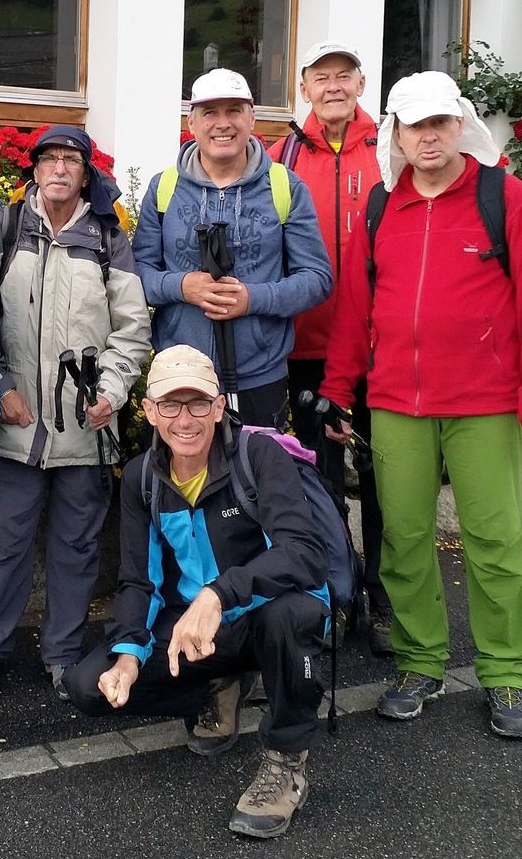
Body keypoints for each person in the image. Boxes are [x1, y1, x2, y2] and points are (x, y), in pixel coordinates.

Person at [320, 71, 522, 739]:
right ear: (395, 134)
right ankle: (419, 661)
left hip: (485, 404)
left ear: (459, 125)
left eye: (439, 123)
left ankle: (507, 671)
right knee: (401, 541)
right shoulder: (380, 206)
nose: (427, 136)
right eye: (414, 126)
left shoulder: (502, 197)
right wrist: (338, 390)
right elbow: (354, 311)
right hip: (398, 403)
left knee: (493, 540)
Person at [65, 345, 329, 839]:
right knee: (86, 686)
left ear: (219, 406)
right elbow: (138, 581)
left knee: (290, 618)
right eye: (170, 404)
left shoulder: (259, 455)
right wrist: (126, 654)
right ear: (148, 410)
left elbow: (304, 553)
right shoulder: (143, 477)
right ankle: (217, 687)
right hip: (194, 630)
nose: (184, 420)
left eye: (198, 404)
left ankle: (285, 763)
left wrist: (219, 594)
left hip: (260, 615)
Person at [0, 126, 151, 703]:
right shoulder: (6, 227)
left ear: (86, 173)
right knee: (3, 542)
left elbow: (133, 329)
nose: (60, 168)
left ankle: (62, 653)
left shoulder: (110, 237)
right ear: (35, 170)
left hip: (85, 428)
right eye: (50, 159)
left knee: (77, 546)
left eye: (71, 160)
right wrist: (1, 388)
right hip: (16, 426)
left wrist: (112, 393)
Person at [268, 41, 390, 652]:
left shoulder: (391, 149)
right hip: (306, 348)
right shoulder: (279, 155)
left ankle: (386, 594)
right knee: (317, 478)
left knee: (384, 479)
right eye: (323, 76)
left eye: (345, 75)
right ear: (305, 86)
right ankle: (335, 592)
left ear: (362, 82)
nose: (334, 85)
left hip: (384, 348)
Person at [131, 67, 332, 429]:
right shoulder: (164, 188)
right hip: (180, 373)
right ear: (191, 123)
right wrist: (183, 287)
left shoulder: (285, 187)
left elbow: (317, 279)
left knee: (254, 481)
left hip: (260, 374)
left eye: (234, 110)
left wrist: (251, 299)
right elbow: (137, 274)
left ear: (252, 117)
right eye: (210, 112)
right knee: (181, 481)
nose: (222, 123)